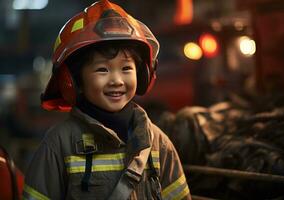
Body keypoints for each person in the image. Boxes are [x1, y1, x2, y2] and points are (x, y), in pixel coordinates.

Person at [22, 0, 191, 199]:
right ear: (73, 81)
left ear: (143, 74)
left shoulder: (157, 142)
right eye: (102, 69)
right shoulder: (60, 144)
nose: (117, 81)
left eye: (127, 68)